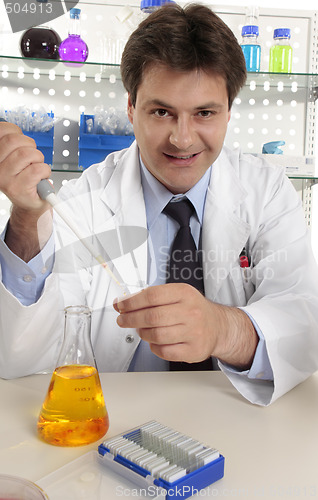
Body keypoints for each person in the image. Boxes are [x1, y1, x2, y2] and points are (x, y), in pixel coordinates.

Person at [0, 4, 318, 406]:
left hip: (239, 417)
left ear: (228, 113)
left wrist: (223, 330)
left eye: (204, 113)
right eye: (162, 111)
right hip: (119, 423)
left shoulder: (266, 191)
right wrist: (27, 220)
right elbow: (27, 356)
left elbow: (303, 323)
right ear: (131, 108)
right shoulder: (84, 200)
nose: (182, 139)